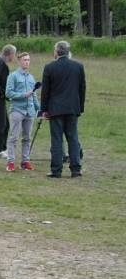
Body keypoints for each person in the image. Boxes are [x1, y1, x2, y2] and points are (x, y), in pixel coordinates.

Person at [40, 41, 86, 178]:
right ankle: (76, 169)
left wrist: (44, 109)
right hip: (72, 108)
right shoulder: (78, 66)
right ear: (67, 51)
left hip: (55, 109)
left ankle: (56, 170)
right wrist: (80, 107)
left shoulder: (49, 67)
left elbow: (45, 91)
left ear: (56, 52)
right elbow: (82, 88)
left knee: (57, 140)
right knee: (73, 138)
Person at [5, 52, 39, 172]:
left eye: (28, 60)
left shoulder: (31, 77)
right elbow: (8, 93)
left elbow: (34, 95)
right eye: (25, 60)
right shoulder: (13, 76)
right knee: (14, 136)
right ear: (19, 61)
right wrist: (23, 95)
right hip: (17, 110)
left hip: (29, 111)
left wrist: (38, 108)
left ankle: (25, 161)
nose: (27, 62)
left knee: (27, 137)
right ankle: (11, 162)